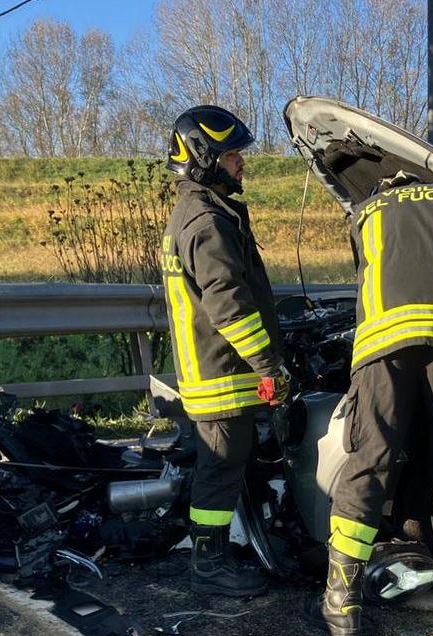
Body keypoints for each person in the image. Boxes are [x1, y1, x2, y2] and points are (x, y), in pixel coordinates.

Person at [318, 172, 433, 636]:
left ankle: (342, 602)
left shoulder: (366, 212)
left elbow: (366, 276)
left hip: (382, 348)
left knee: (369, 464)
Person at [160, 105, 290, 597]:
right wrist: (269, 366)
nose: (241, 162)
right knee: (219, 467)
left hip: (212, 369)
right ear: (203, 157)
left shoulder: (199, 212)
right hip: (222, 373)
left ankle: (218, 554)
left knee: (225, 464)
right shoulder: (207, 222)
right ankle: (209, 564)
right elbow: (229, 306)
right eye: (233, 154)